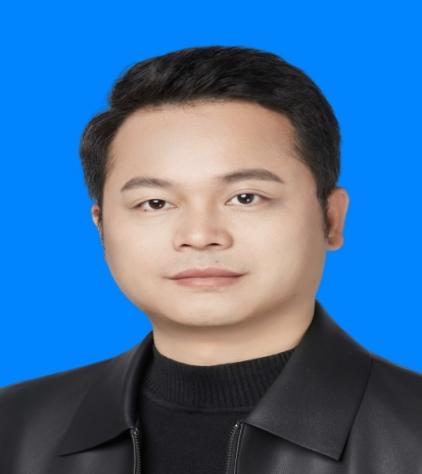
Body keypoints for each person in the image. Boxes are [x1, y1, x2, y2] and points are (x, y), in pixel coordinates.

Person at [1, 45, 421, 474]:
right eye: (155, 203)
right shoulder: (13, 429)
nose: (199, 236)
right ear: (101, 227)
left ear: (331, 218)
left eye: (246, 197)